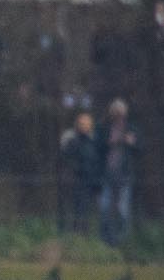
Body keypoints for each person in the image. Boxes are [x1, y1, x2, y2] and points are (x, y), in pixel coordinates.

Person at [98, 98, 138, 247]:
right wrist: (109, 142)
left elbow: (140, 148)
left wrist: (131, 142)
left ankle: (123, 241)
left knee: (123, 209)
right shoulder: (104, 129)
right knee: (105, 207)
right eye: (116, 113)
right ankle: (104, 240)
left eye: (121, 113)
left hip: (124, 175)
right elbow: (98, 147)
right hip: (107, 173)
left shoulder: (131, 129)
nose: (118, 116)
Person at [58, 110, 101, 235]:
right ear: (77, 124)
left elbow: (96, 159)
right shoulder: (71, 139)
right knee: (73, 207)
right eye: (82, 123)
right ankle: (70, 233)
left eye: (87, 124)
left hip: (90, 179)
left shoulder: (94, 140)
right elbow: (66, 157)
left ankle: (83, 234)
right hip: (75, 178)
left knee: (85, 208)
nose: (84, 126)